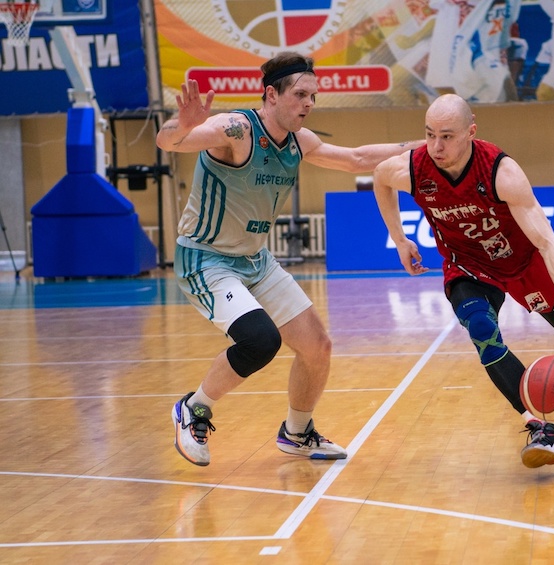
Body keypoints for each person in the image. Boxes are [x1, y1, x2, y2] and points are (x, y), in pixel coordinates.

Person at [156, 52, 423, 467]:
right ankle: (194, 408)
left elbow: (357, 159)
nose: (308, 103)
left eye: (312, 96)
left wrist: (428, 145)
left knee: (317, 347)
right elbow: (169, 142)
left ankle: (297, 433)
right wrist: (183, 124)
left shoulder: (300, 141)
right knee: (261, 341)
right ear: (271, 95)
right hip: (207, 259)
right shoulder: (237, 129)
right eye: (300, 95)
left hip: (255, 260)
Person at [372, 94, 554, 469]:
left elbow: (547, 242)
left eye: (447, 137)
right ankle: (540, 428)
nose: (436, 146)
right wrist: (400, 239)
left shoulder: (501, 173)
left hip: (520, 262)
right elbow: (379, 178)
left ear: (471, 131)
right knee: (482, 331)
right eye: (430, 134)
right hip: (466, 264)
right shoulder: (415, 169)